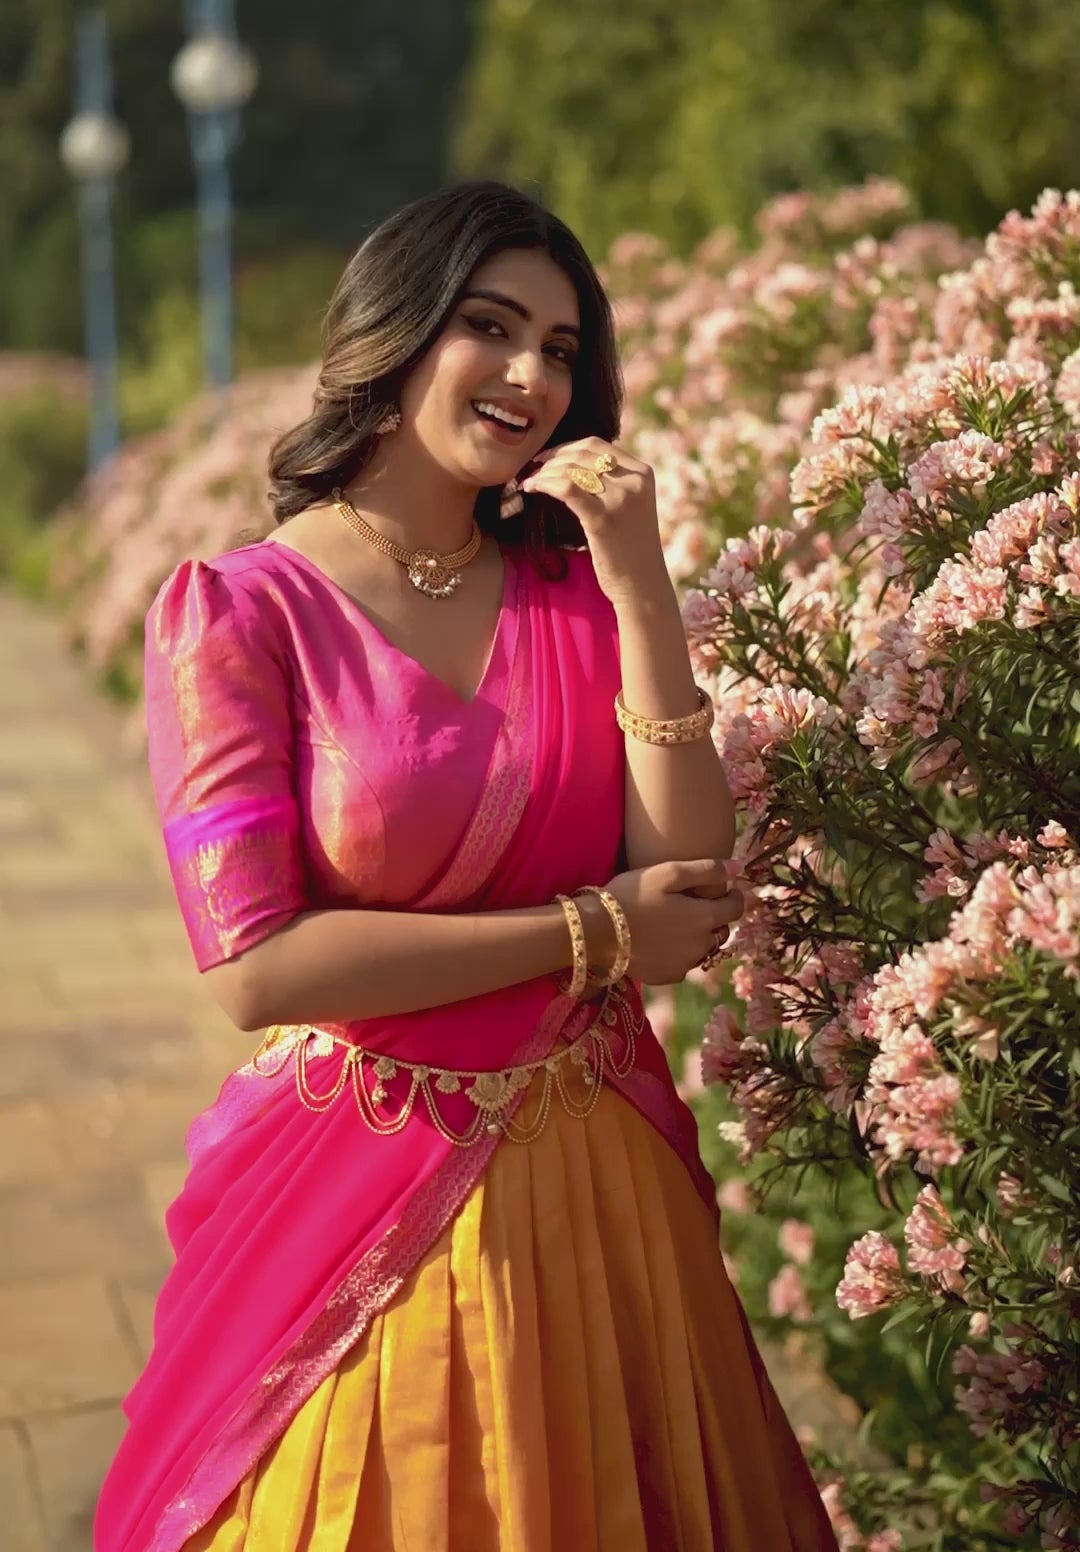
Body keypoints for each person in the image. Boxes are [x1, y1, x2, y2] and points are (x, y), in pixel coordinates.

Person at [95, 181, 838, 1552]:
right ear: (396, 330)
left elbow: (685, 881)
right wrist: (587, 933)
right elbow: (257, 968)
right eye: (490, 327)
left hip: (600, 1205)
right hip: (354, 1188)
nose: (531, 376)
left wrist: (641, 580)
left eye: (562, 347)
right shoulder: (241, 613)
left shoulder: (573, 592)